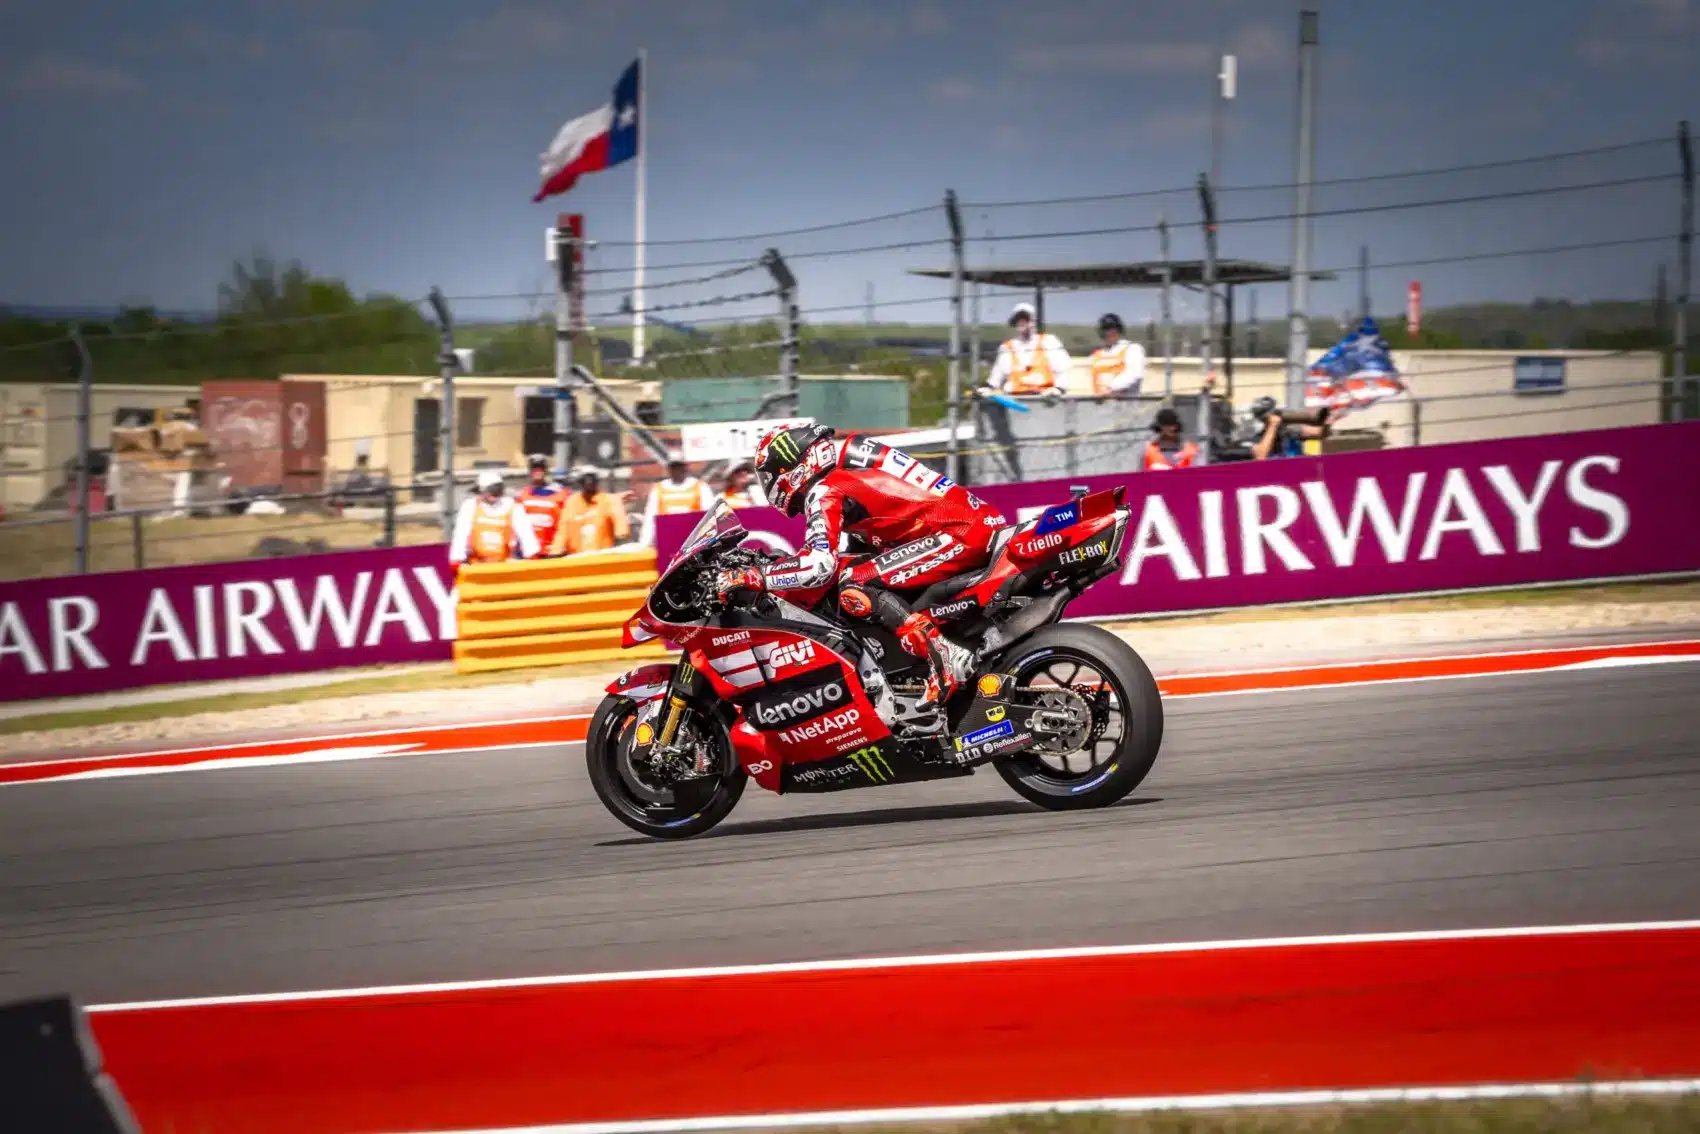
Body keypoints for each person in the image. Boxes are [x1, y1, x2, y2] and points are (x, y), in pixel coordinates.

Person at [714, 424, 1007, 733]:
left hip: (958, 533)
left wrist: (753, 576)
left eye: (771, 475)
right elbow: (868, 533)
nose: (770, 485)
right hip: (967, 525)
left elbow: (817, 566)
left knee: (855, 583)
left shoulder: (825, 487)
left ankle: (943, 653)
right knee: (854, 572)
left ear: (792, 466)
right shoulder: (849, 460)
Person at [979, 302, 1072, 399]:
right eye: (1018, 320)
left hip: (1044, 400)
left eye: (1025, 319)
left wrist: (1058, 389)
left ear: (1034, 321)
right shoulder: (1007, 347)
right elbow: (996, 377)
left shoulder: (1049, 342)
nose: (1021, 323)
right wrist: (987, 388)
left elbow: (1062, 371)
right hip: (1015, 401)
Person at [450, 468, 541, 566]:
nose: (495, 493)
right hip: (476, 565)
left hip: (504, 565)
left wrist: (532, 553)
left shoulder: (513, 507)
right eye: (492, 490)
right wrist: (457, 558)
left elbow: (525, 532)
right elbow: (461, 533)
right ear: (482, 490)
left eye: (498, 490)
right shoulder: (470, 506)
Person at [638, 451, 714, 547]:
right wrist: (644, 544)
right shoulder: (658, 489)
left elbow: (710, 516)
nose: (677, 470)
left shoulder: (700, 487)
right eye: (674, 467)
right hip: (667, 540)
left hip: (693, 542)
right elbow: (650, 518)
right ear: (669, 468)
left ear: (685, 467)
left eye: (679, 466)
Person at [560, 467, 630, 554]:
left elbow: (621, 529)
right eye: (586, 480)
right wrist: (556, 551)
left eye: (592, 480)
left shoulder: (609, 500)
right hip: (576, 558)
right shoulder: (571, 503)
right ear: (580, 482)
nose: (589, 483)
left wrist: (621, 536)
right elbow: (562, 531)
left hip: (601, 556)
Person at [516, 453, 568, 557]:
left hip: (552, 552)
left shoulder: (561, 493)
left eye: (541, 468)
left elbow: (566, 524)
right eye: (534, 468)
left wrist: (559, 547)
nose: (537, 472)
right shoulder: (522, 495)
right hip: (528, 552)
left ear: (546, 470)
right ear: (529, 471)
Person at [1087, 313, 1146, 397]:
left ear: (1119, 330)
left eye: (1112, 328)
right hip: (1099, 406)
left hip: (1125, 405)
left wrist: (1111, 389)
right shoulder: (1096, 355)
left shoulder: (1132, 349)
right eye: (1105, 329)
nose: (1108, 332)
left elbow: (1135, 373)